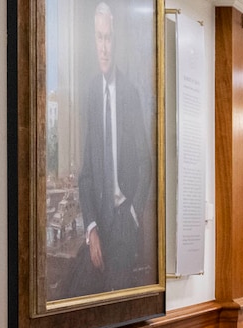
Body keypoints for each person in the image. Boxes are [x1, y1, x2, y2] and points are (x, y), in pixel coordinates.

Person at [67, 1, 152, 297]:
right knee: (72, 292)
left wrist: (133, 213)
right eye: (98, 38)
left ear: (116, 41)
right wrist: (90, 228)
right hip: (98, 223)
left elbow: (145, 164)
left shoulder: (130, 93)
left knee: (116, 300)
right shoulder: (92, 93)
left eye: (108, 38)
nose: (103, 47)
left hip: (122, 222)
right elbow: (86, 175)